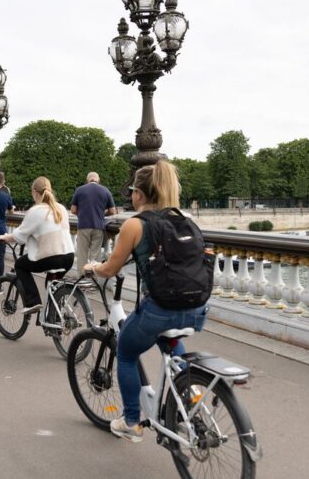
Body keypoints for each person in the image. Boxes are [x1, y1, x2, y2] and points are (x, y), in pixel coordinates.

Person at [82, 160, 208, 443]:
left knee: (126, 352)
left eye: (132, 192)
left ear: (138, 194)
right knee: (172, 342)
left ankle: (131, 422)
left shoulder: (134, 225)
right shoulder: (183, 218)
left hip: (160, 309)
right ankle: (190, 399)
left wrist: (92, 268)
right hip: (197, 308)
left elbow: (110, 268)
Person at [0, 177, 74, 315]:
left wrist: (4, 237)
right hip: (68, 256)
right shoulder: (61, 208)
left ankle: (33, 302)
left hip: (52, 257)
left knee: (20, 265)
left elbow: (19, 236)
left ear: (35, 192)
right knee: (52, 283)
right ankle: (55, 316)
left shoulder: (36, 210)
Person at [70, 172, 115, 272]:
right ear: (98, 180)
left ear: (87, 180)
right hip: (98, 226)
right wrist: (102, 214)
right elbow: (112, 211)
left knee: (82, 255)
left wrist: (82, 214)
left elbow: (73, 210)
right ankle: (94, 281)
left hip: (83, 225)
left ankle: (81, 279)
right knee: (95, 256)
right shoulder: (105, 190)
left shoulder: (80, 190)